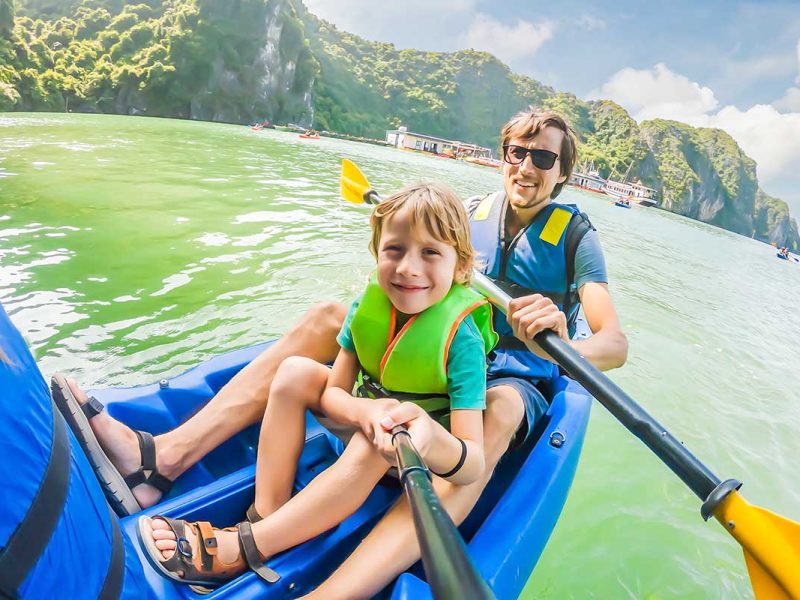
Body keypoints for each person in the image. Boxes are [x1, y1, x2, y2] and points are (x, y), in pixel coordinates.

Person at [55, 107, 627, 597]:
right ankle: (164, 458)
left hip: (514, 373)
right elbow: (410, 272)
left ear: (563, 172)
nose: (524, 167)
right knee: (329, 314)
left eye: (542, 159)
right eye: (514, 152)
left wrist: (558, 334)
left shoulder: (577, 238)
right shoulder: (470, 215)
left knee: (498, 411)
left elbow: (614, 345)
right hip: (435, 350)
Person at [134, 182, 498, 586]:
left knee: (374, 441)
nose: (408, 268)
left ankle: (250, 546)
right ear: (377, 254)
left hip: (414, 458)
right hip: (365, 419)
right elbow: (333, 393)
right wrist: (365, 411)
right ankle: (268, 517)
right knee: (294, 372)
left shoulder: (463, 343)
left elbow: (473, 462)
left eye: (430, 253)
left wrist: (418, 434)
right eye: (394, 250)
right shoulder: (369, 307)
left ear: (461, 268)